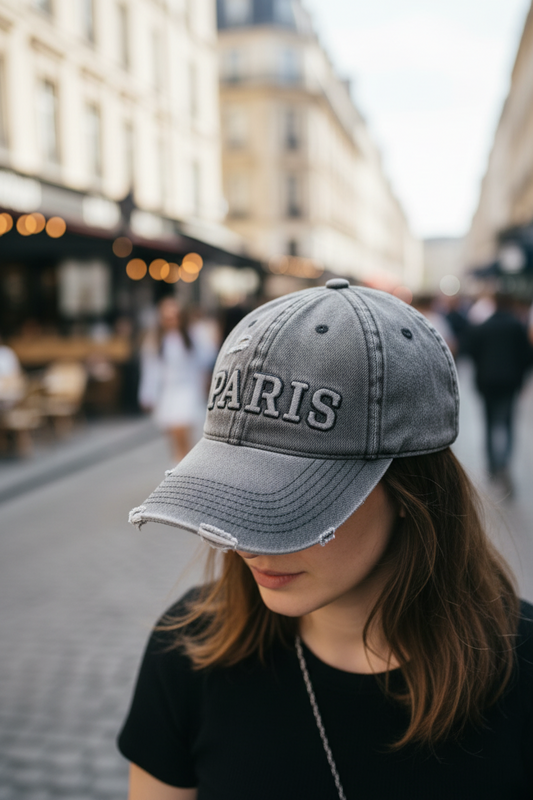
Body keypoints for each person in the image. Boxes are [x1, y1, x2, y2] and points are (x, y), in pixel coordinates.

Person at [119, 280, 533, 800]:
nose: (246, 541)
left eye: (293, 503)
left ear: (412, 491)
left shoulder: (521, 673)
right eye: (232, 490)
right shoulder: (189, 651)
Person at [466, 293, 533, 488]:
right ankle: (504, 461)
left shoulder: (485, 326)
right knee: (506, 422)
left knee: (489, 423)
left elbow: (471, 351)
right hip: (509, 382)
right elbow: (527, 355)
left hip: (487, 382)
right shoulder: (516, 326)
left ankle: (492, 465)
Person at [138, 297, 216, 461]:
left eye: (175, 316)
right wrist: (147, 394)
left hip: (188, 389)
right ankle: (179, 464)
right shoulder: (155, 340)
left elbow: (207, 357)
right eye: (167, 317)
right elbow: (151, 370)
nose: (172, 321)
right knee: (173, 432)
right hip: (168, 392)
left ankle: (186, 466)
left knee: (183, 428)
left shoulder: (192, 335)